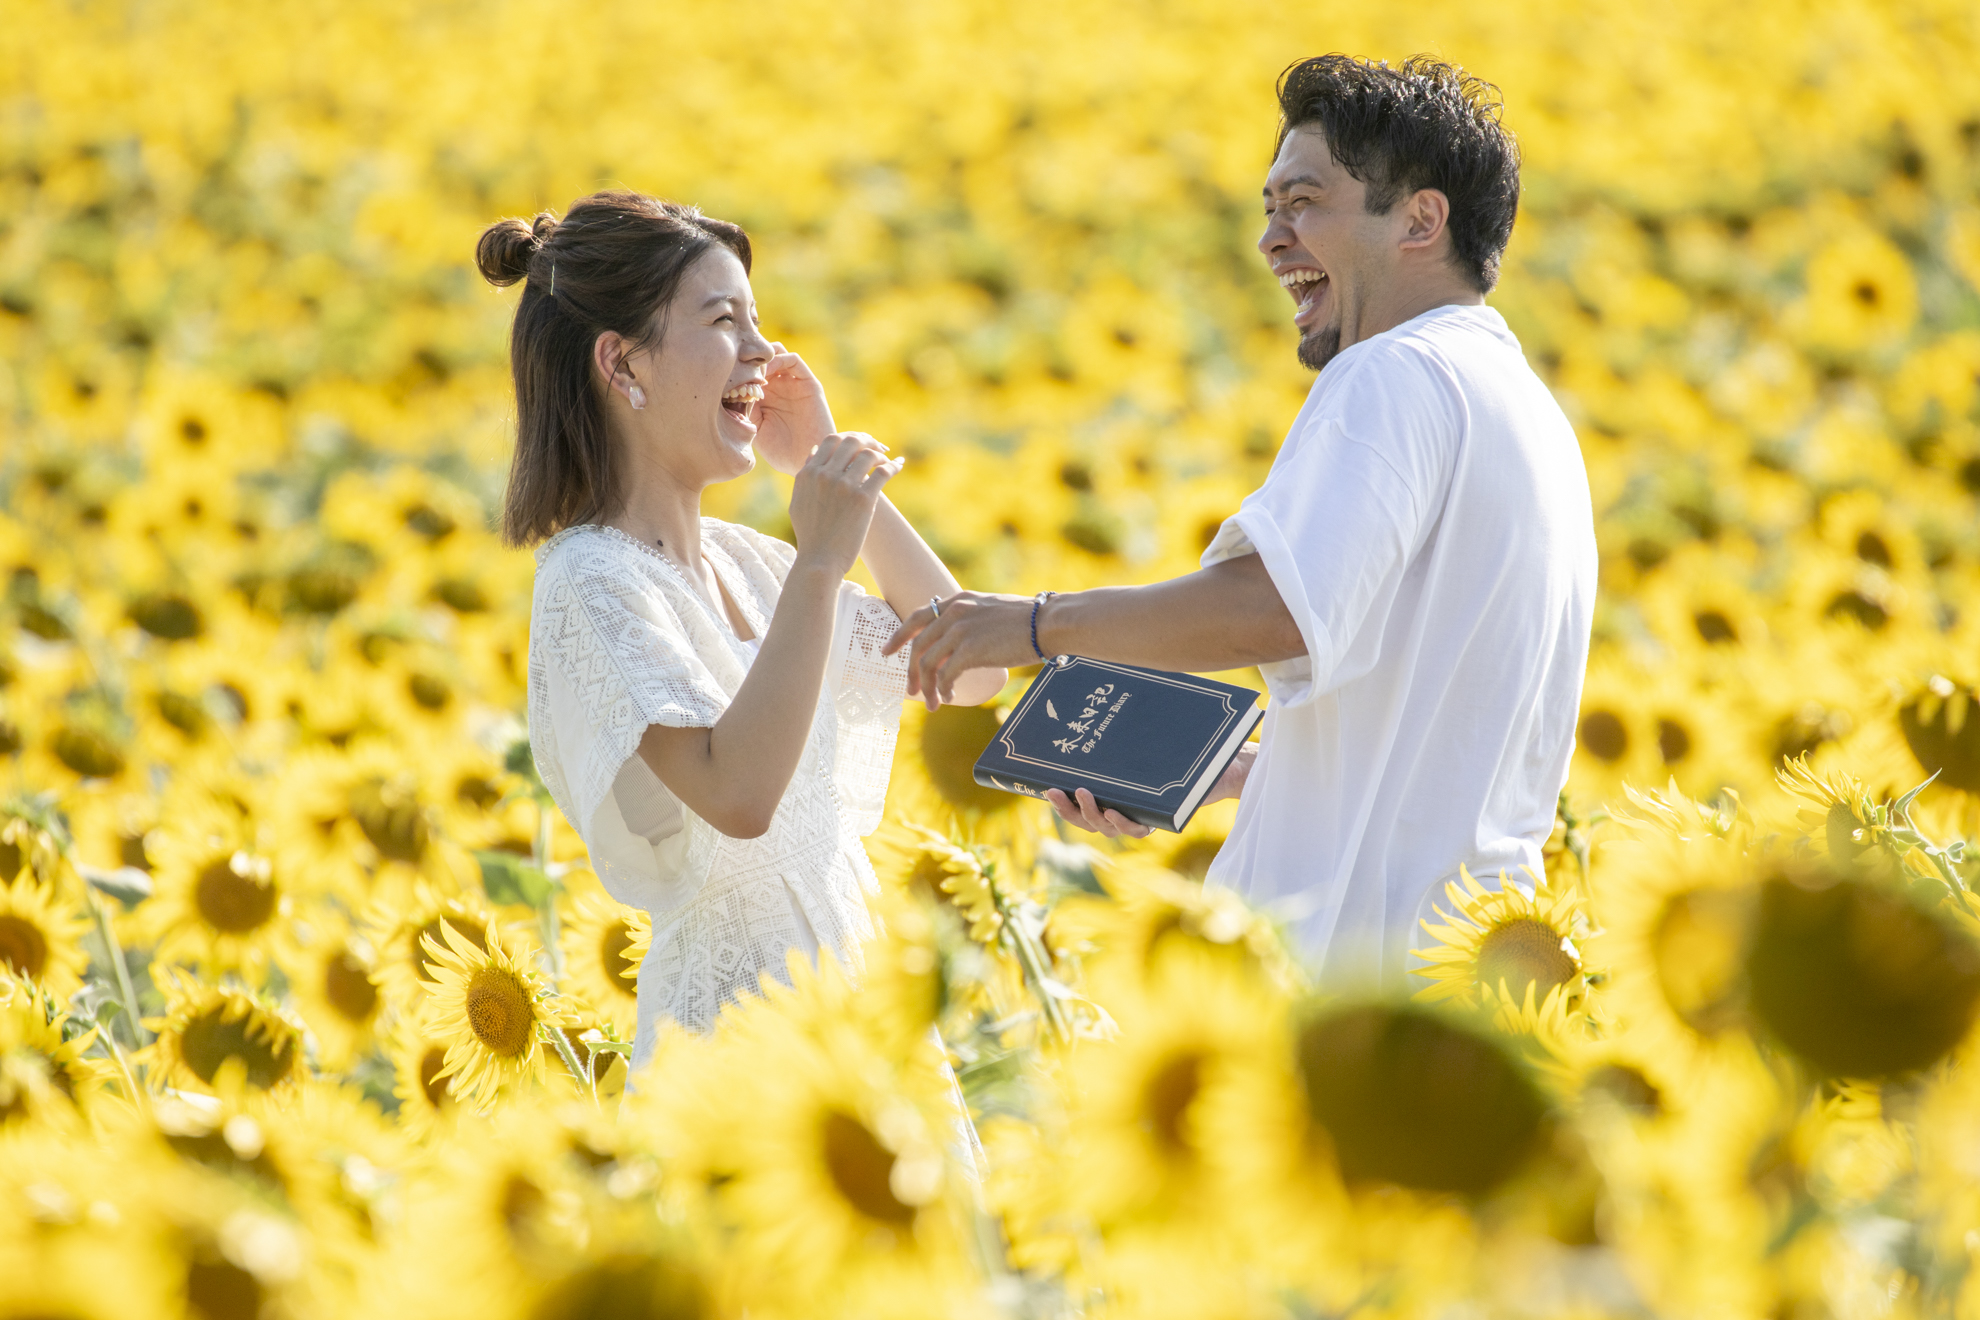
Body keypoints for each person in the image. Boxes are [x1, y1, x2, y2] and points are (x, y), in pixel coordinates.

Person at [885, 55, 1597, 984]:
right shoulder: (1528, 413)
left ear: (1421, 220)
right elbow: (1432, 749)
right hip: (1470, 967)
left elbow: (1277, 608)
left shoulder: (1393, 374)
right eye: (1268, 208)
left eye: (1303, 203)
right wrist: (1214, 773)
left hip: (1343, 978)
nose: (1271, 239)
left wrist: (1030, 627)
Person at [480, 191, 1004, 1070]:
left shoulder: (751, 565)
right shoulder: (589, 581)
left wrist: (832, 473)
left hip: (859, 1009)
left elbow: (968, 671)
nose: (766, 354)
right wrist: (820, 561)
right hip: (736, 1041)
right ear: (621, 364)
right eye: (726, 321)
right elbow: (738, 796)